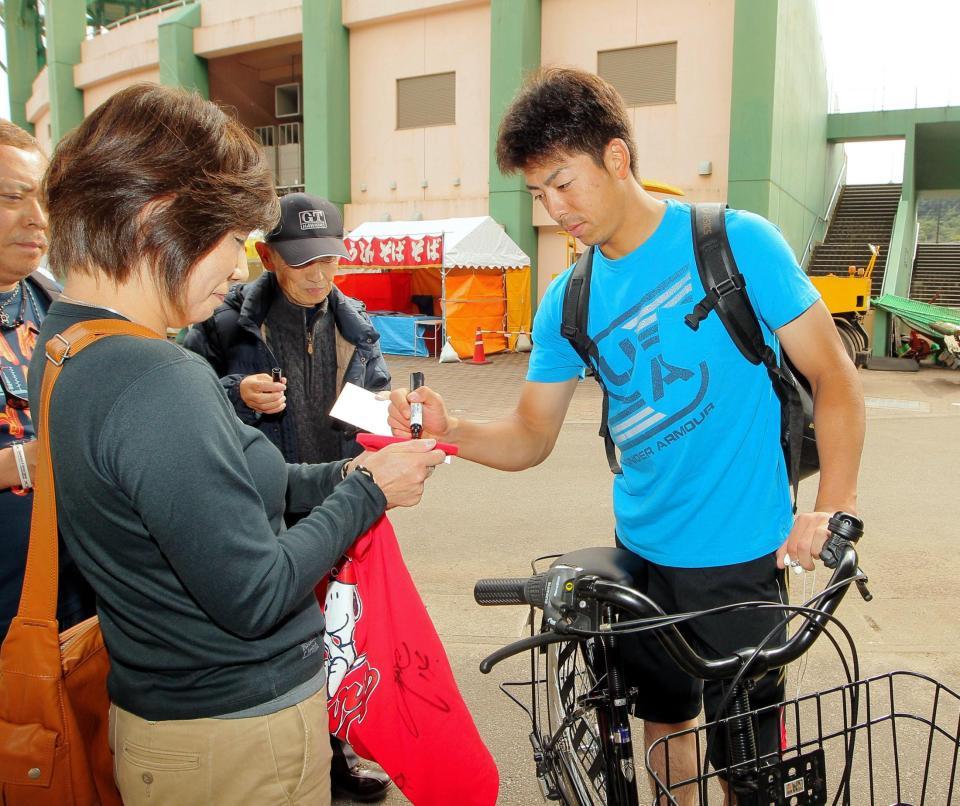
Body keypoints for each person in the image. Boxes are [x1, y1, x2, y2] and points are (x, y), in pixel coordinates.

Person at [388, 68, 865, 802]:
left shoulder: (736, 245)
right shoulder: (567, 301)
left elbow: (836, 379)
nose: (553, 208)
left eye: (562, 183)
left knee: (749, 763)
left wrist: (829, 508)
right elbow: (528, 435)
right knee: (662, 728)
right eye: (538, 194)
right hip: (640, 562)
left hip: (743, 560)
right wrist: (454, 432)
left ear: (616, 156)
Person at [29, 83, 444, 806]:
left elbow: (263, 482)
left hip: (168, 711)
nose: (239, 266)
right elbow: (254, 594)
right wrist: (369, 492)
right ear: (161, 219)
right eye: (230, 241)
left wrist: (356, 467)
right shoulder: (155, 375)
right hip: (234, 738)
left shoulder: (66, 341)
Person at [184, 192, 393, 800]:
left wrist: (391, 413)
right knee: (277, 640)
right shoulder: (223, 323)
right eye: (303, 262)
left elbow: (369, 407)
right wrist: (235, 393)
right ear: (269, 257)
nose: (319, 276)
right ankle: (277, 762)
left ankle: (335, 758)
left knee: (340, 636)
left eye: (329, 259)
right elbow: (183, 400)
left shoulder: (356, 323)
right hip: (259, 512)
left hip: (339, 501)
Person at [0, 119, 94, 643]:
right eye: (14, 196)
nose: (37, 220)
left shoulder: (57, 304)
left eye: (44, 201)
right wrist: (23, 462)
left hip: (72, 591)